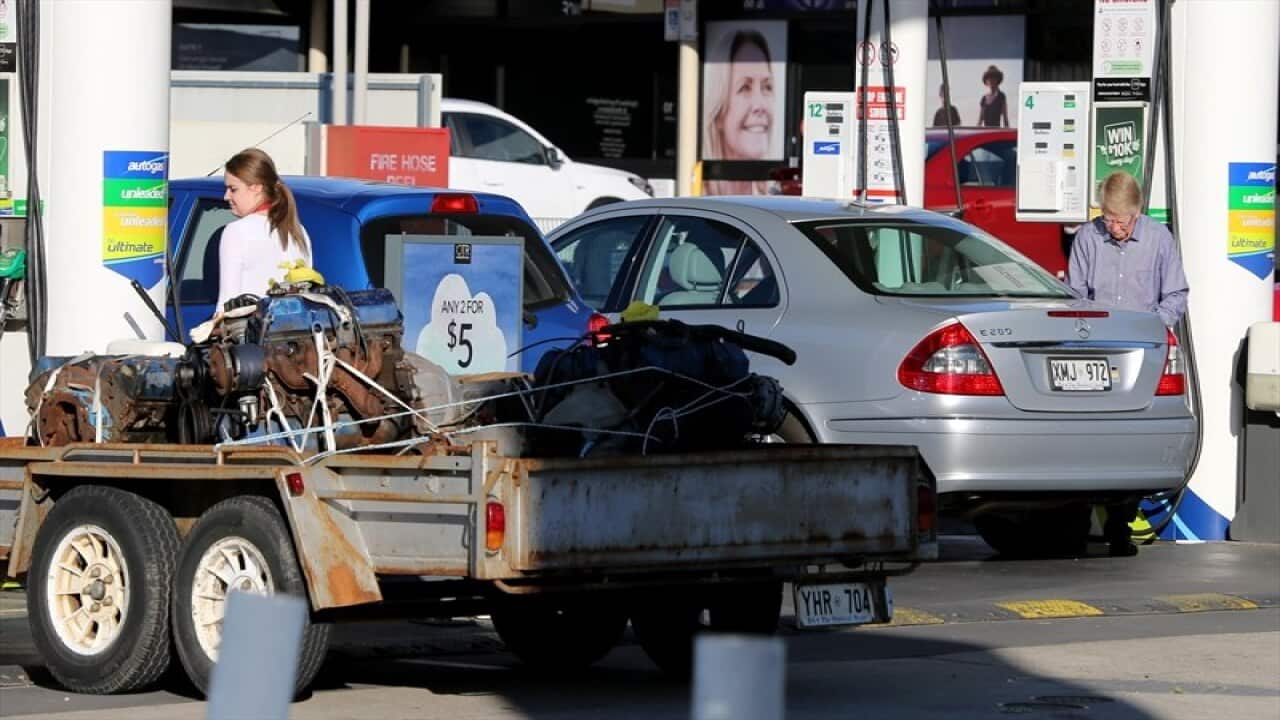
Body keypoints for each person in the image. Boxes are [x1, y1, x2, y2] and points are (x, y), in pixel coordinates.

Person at [1067, 170, 1190, 557]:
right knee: (1086, 440)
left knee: (1131, 439)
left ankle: (1119, 525)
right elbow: (1074, 294)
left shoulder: (1158, 239)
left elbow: (1175, 295)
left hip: (1141, 353)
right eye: (1109, 219)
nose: (1115, 227)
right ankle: (1080, 523)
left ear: (1137, 214)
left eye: (1121, 221)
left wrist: (1153, 326)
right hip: (1094, 352)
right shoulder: (1089, 237)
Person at [216, 148, 312, 310]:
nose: (226, 196)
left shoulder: (236, 232)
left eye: (233, 189)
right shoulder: (298, 231)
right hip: (293, 331)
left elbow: (227, 304)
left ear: (256, 188)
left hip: (253, 332)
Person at [703, 29, 777, 195]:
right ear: (718, 112)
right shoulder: (700, 206)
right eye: (745, 87)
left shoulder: (774, 200)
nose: (760, 105)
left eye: (767, 87)